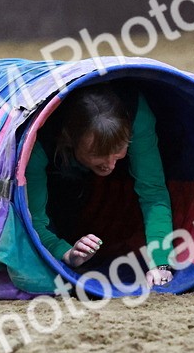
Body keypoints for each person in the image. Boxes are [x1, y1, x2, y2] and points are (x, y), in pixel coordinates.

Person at [25, 83, 175, 288]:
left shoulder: (138, 116)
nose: (111, 164)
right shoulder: (40, 140)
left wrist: (161, 263)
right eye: (98, 154)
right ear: (69, 139)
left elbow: (154, 193)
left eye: (119, 151)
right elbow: (32, 221)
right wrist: (67, 254)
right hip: (59, 172)